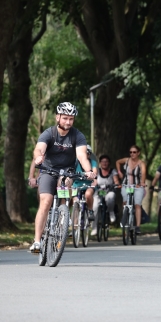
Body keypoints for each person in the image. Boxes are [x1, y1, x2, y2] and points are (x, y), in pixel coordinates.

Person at [30, 102, 95, 253]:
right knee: (45, 201)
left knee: (65, 186)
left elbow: (82, 156)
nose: (68, 122)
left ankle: (62, 218)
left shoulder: (77, 136)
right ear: (57, 117)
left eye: (71, 119)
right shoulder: (49, 133)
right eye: (65, 118)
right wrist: (39, 157)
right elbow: (39, 149)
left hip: (67, 172)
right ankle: (37, 242)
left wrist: (88, 170)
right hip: (48, 170)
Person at [116, 145, 147, 235]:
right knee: (125, 202)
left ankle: (137, 226)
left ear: (138, 153)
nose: (132, 154)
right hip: (126, 185)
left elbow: (144, 173)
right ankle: (125, 218)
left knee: (137, 205)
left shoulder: (141, 163)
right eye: (130, 152)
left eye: (134, 152)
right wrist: (119, 172)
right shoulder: (126, 160)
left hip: (137, 186)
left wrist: (142, 182)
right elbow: (118, 162)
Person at [72, 145, 98, 234]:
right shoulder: (75, 162)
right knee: (75, 202)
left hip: (89, 184)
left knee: (88, 194)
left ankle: (90, 210)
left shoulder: (93, 162)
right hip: (77, 184)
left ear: (89, 155)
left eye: (86, 153)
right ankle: (74, 228)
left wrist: (93, 178)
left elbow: (94, 172)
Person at [92, 154, 120, 229]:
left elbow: (116, 181)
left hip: (109, 191)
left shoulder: (112, 171)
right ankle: (94, 227)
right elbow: (94, 180)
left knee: (110, 198)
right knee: (95, 206)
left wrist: (116, 184)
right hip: (100, 191)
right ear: (100, 163)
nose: (104, 163)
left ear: (109, 163)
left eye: (106, 161)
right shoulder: (97, 171)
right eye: (102, 161)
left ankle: (111, 212)